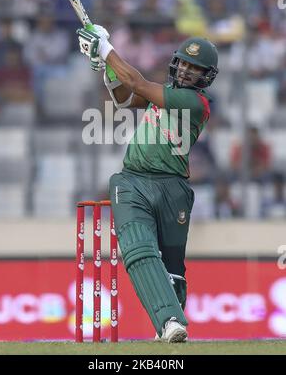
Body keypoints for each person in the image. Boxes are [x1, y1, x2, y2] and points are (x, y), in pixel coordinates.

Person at [78, 24, 218, 342]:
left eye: (195, 68)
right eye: (183, 63)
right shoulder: (162, 98)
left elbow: (136, 82)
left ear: (205, 77)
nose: (186, 70)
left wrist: (105, 48)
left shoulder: (196, 104)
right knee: (138, 247)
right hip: (134, 181)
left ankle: (169, 327)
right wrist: (105, 69)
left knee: (174, 271)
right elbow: (126, 98)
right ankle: (169, 321)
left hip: (174, 188)